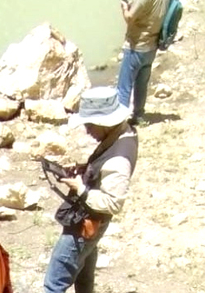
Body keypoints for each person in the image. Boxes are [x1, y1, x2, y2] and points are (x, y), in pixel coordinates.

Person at [44, 87, 139, 293]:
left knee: (54, 284)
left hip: (86, 225)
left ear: (103, 123)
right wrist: (86, 170)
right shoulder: (124, 133)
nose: (87, 130)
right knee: (84, 276)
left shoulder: (118, 159)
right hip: (93, 225)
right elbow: (104, 171)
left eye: (89, 125)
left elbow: (113, 203)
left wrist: (80, 189)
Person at [117, 0, 174, 125]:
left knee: (124, 87)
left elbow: (129, 17)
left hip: (136, 46)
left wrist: (124, 7)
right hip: (152, 45)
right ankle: (139, 116)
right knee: (141, 83)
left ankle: (120, 123)